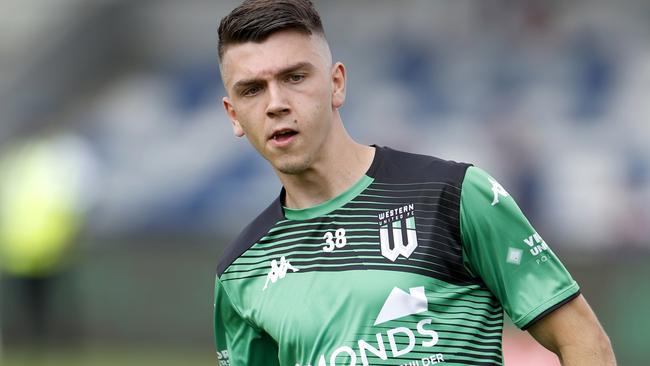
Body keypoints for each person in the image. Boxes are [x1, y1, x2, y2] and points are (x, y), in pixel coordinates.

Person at [213, 1, 616, 365]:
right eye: (252, 90)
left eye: (295, 77)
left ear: (336, 84)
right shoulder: (240, 270)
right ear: (233, 114)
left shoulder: (452, 194)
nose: (276, 104)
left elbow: (582, 340)